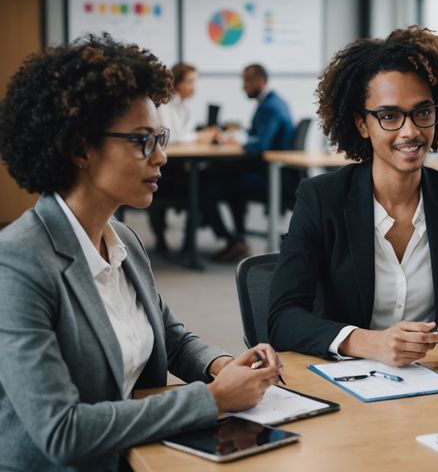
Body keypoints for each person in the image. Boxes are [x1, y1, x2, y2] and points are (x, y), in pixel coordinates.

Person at [0, 34, 283, 471]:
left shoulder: (123, 241)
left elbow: (168, 335)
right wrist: (211, 399)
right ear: (79, 148)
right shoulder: (17, 263)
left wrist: (220, 365)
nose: (163, 156)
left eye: (161, 138)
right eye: (142, 140)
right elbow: (62, 431)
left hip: (139, 455)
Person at [268, 26, 438, 367]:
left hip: (431, 383)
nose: (410, 131)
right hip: (344, 384)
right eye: (389, 116)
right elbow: (282, 318)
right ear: (362, 124)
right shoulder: (321, 198)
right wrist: (369, 342)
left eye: (422, 112)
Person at [199, 63, 295, 261]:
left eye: (247, 82)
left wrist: (238, 142)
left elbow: (261, 146)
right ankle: (237, 240)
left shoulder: (270, 107)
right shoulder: (271, 102)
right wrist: (239, 139)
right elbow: (257, 136)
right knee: (224, 178)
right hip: (267, 172)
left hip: (271, 176)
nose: (244, 87)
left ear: (260, 80)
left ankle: (233, 241)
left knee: (207, 185)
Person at [147, 62, 218, 253]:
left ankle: (189, 245)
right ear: (177, 83)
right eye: (190, 81)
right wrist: (198, 137)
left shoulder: (184, 105)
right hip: (166, 168)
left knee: (203, 183)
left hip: (179, 166)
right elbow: (169, 137)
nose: (194, 87)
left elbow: (185, 132)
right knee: (200, 187)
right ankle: (172, 241)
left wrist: (199, 134)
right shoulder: (165, 104)